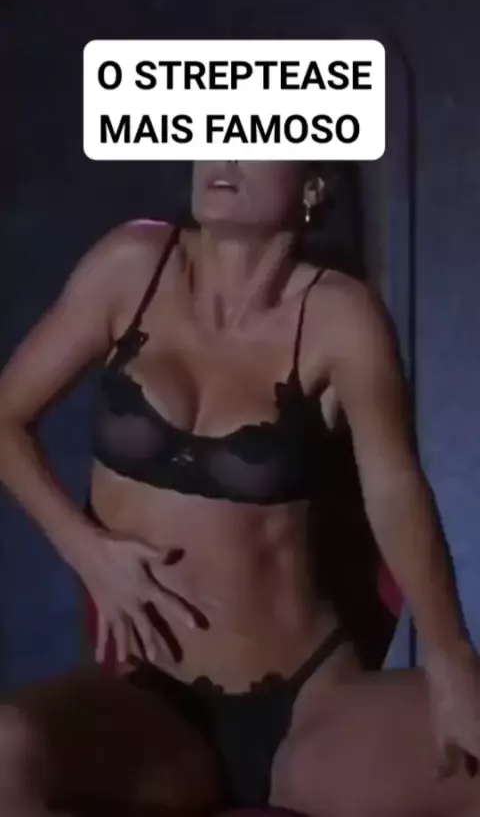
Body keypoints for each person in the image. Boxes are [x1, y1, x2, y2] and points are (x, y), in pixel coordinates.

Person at [0, 160, 479, 817]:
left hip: (311, 706)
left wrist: (452, 662)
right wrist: (85, 549)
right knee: (6, 751)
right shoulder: (131, 266)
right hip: (149, 705)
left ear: (312, 183)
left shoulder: (341, 318)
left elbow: (394, 490)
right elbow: (6, 419)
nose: (224, 155)